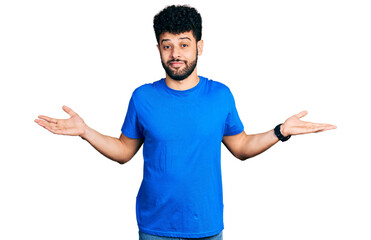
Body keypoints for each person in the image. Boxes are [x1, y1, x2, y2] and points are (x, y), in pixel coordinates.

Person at [34, 5, 336, 240]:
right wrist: (86, 131)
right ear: (158, 50)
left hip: (205, 225)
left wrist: (280, 132)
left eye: (184, 44)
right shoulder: (142, 97)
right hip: (154, 226)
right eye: (167, 45)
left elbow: (241, 147)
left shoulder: (220, 95)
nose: (175, 53)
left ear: (199, 46)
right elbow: (124, 151)